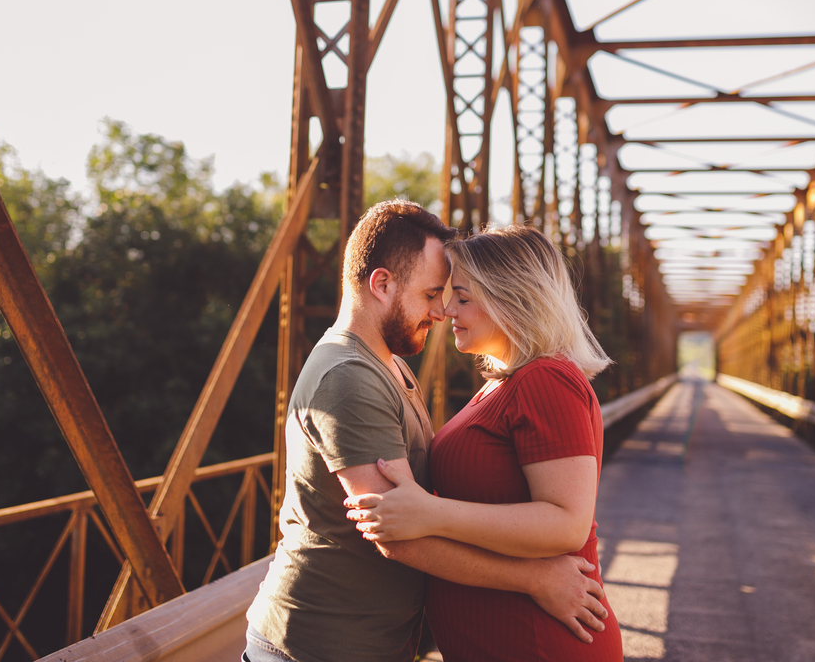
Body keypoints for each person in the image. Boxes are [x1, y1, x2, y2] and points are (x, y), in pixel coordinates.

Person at [244, 202, 609, 662]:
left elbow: (420, 512)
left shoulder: (393, 366)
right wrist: (534, 578)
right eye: (434, 293)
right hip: (322, 643)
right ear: (382, 284)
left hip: (372, 641)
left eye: (456, 295)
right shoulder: (348, 375)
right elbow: (397, 532)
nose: (441, 311)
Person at [345, 223, 623, 661]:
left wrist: (430, 513)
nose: (447, 309)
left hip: (540, 642)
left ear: (511, 299)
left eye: (463, 297)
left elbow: (567, 523)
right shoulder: (504, 384)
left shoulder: (546, 378)